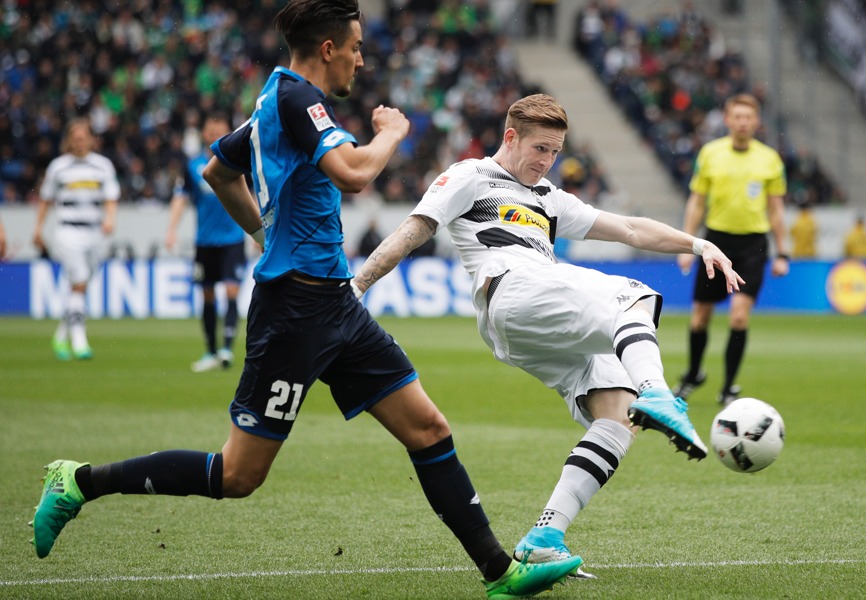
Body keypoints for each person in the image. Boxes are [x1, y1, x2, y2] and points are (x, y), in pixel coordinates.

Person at [29, 4, 582, 598]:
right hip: (293, 311)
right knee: (239, 475)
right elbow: (352, 172)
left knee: (427, 427)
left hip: (337, 303)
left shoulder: (271, 102)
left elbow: (219, 172)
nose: (361, 59)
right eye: (356, 47)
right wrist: (392, 132)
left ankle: (500, 573)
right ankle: (79, 481)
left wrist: (268, 236)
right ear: (327, 48)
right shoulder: (298, 100)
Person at [352, 93, 743, 574]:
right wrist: (357, 285)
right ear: (510, 137)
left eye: (555, 151)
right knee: (632, 296)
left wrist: (698, 242)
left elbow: (630, 230)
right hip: (511, 289)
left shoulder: (548, 198)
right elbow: (413, 231)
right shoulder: (470, 176)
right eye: (540, 148)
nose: (547, 161)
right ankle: (659, 393)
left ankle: (546, 535)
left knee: (617, 415)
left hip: (534, 314)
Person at [674, 93, 789, 406]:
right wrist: (687, 244)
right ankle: (695, 373)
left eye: (747, 117)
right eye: (736, 117)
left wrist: (782, 252)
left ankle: (727, 387)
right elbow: (697, 201)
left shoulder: (769, 160)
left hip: (753, 244)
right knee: (700, 317)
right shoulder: (710, 154)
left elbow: (776, 209)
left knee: (739, 317)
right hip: (715, 242)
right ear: (727, 120)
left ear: (756, 122)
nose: (742, 122)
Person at [166, 112, 247, 372]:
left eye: (220, 129)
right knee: (208, 294)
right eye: (211, 130)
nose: (215, 134)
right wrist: (171, 229)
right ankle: (211, 351)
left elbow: (252, 194)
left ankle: (226, 348)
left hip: (233, 239)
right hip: (205, 242)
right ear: (204, 134)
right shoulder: (193, 166)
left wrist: (260, 231)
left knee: (232, 291)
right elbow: (180, 198)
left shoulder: (237, 161)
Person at [33, 118, 120, 360]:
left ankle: (61, 336)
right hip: (68, 231)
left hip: (95, 233)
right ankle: (80, 341)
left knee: (78, 289)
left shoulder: (102, 166)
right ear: (69, 140)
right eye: (75, 138)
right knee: (79, 282)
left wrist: (110, 218)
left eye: (83, 138)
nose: (79, 142)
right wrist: (38, 229)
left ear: (92, 140)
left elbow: (111, 197)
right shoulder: (58, 167)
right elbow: (46, 201)